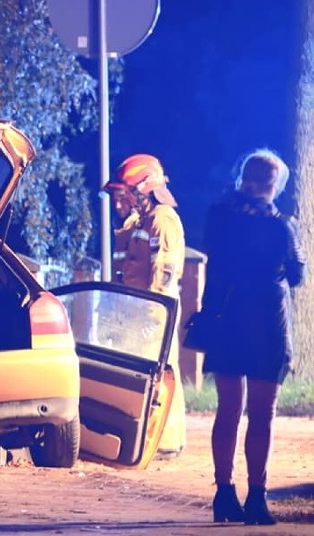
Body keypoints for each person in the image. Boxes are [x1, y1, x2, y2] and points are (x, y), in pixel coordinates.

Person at [201, 149, 306, 525]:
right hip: (267, 324)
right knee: (262, 414)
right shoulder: (280, 225)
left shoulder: (219, 217)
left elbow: (215, 261)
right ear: (274, 185)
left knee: (228, 409)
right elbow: (296, 275)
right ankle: (257, 498)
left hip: (227, 319)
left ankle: (223, 492)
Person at [103, 153, 187, 459]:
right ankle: (149, 439)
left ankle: (165, 442)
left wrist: (148, 316)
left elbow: (161, 278)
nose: (116, 203)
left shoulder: (163, 222)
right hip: (137, 311)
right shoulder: (138, 223)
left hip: (153, 315)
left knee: (160, 376)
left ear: (143, 189)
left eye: (122, 195)